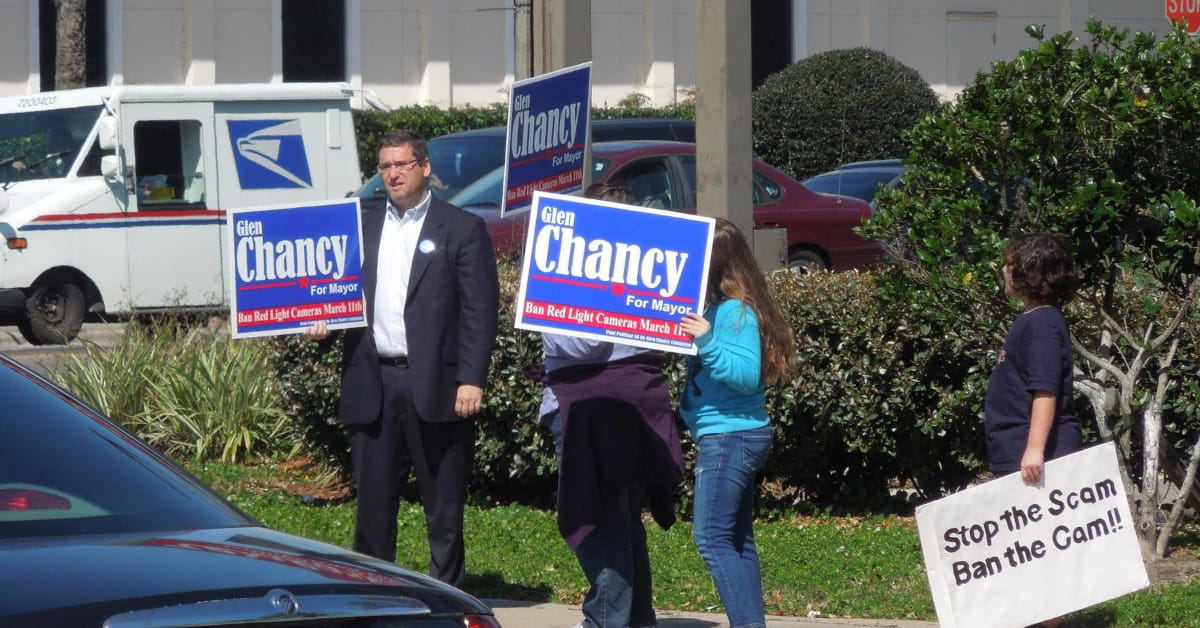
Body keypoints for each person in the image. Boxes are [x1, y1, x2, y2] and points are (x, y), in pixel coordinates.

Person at [304, 129, 499, 589]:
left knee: (444, 510)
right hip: (374, 383)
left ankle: (448, 598)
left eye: (402, 165)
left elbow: (479, 311)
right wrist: (321, 324)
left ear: (425, 168)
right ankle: (375, 599)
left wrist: (472, 378)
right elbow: (335, 296)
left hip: (437, 385)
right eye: (385, 166)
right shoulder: (359, 226)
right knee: (372, 508)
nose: (392, 174)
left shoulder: (462, 229)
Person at [541, 182, 685, 628]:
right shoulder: (573, 270)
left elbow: (572, 342)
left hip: (605, 413)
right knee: (619, 522)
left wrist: (609, 303)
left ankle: (608, 621)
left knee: (603, 523)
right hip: (610, 409)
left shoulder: (629, 271)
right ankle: (635, 620)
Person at [678, 218, 796, 628]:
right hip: (733, 434)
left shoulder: (735, 313)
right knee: (737, 540)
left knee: (710, 537)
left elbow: (746, 376)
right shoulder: (724, 309)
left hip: (729, 437)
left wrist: (706, 342)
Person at [984, 233, 1082, 628]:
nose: (1004, 270)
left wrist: (1034, 450)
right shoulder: (1033, 319)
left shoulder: (1042, 324)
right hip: (1019, 450)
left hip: (1037, 456)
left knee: (1040, 552)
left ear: (1029, 272)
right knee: (1027, 552)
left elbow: (1046, 389)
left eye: (1010, 263)